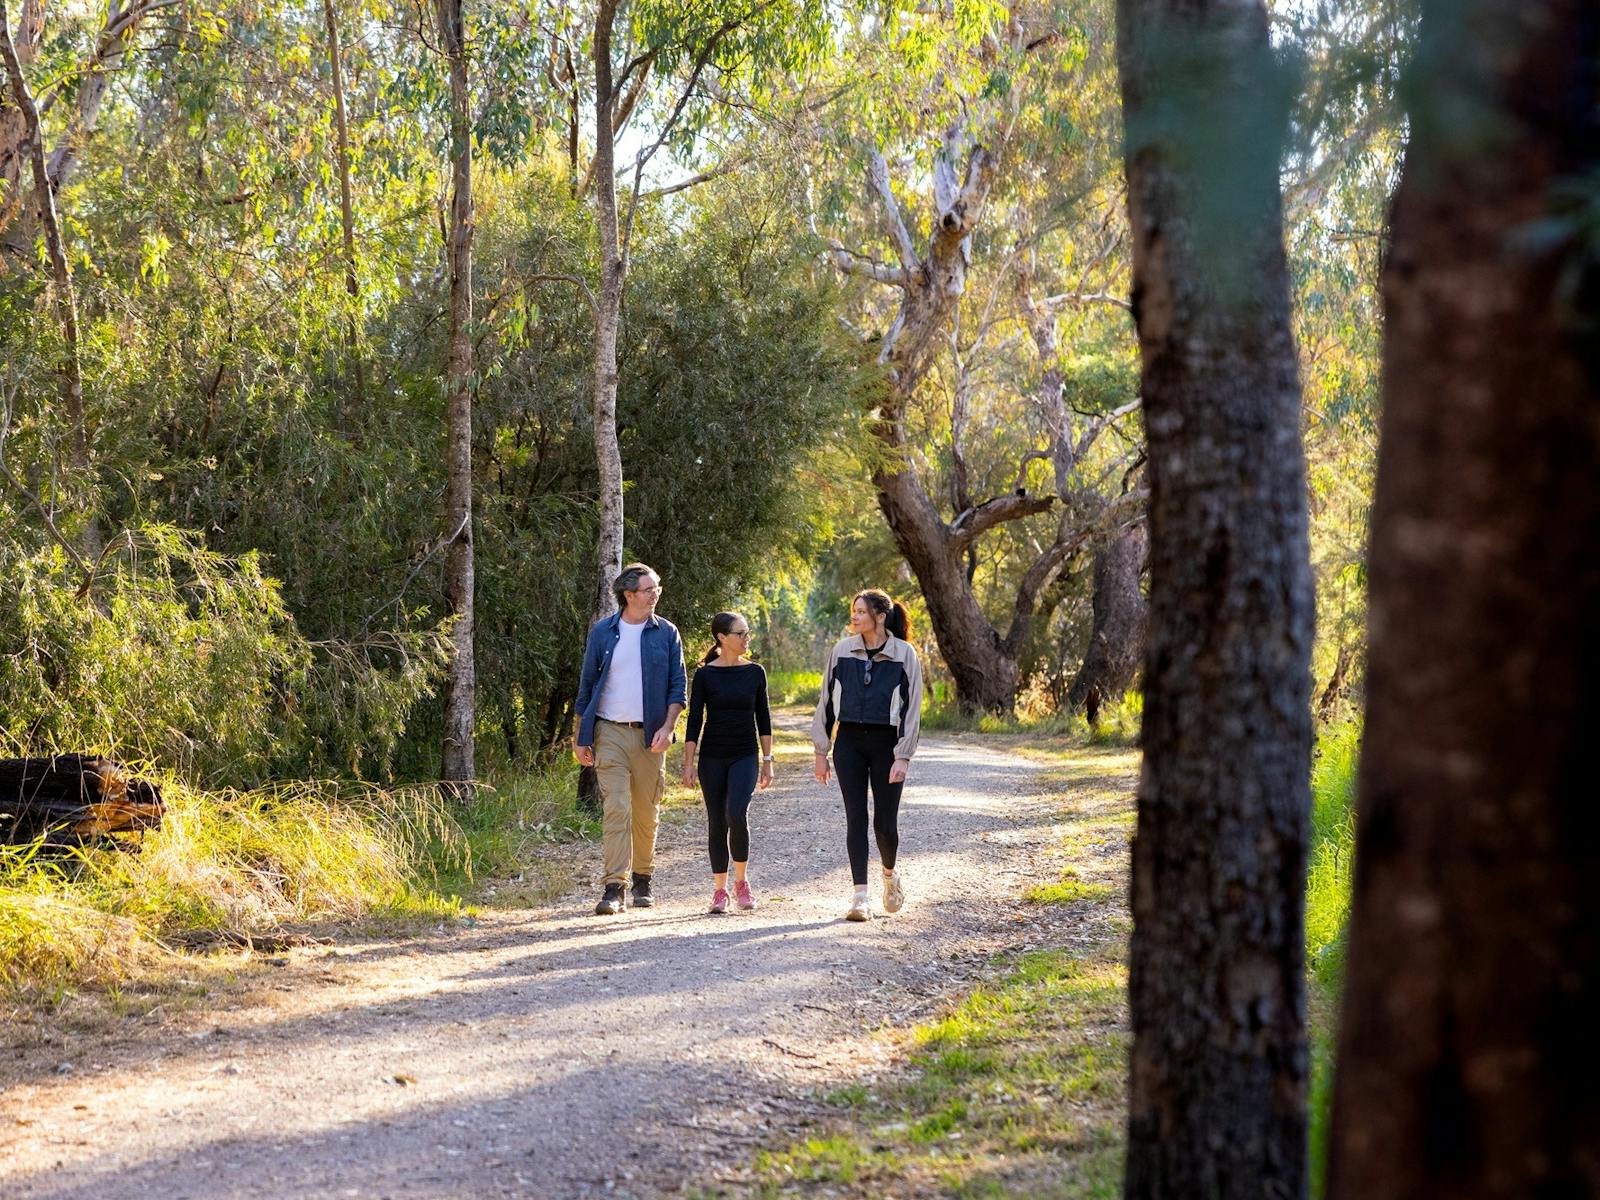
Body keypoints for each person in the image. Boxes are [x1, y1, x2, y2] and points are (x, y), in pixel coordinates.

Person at [574, 563, 686, 916]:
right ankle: (614, 887)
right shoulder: (603, 633)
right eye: (649, 590)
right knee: (617, 808)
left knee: (646, 812)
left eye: (657, 589)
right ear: (629, 595)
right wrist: (580, 736)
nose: (655, 595)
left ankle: (643, 879)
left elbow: (678, 687)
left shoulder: (667, 633)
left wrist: (668, 728)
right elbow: (586, 686)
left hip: (651, 735)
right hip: (609, 732)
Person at [812, 588, 924, 921]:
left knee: (884, 824)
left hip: (887, 745)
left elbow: (912, 709)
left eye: (861, 611)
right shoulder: (841, 651)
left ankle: (889, 875)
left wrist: (903, 755)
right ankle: (860, 896)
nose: (855, 616)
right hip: (848, 743)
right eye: (854, 610)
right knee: (856, 817)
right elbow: (826, 701)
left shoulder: (904, 654)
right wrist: (821, 750)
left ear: (880, 616)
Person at [681, 612, 774, 914]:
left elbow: (764, 718)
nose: (747, 638)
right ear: (722, 638)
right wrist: (688, 764)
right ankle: (719, 891)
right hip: (712, 757)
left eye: (748, 633)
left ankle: (741, 882)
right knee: (717, 821)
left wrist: (768, 760)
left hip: (745, 754)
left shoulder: (756, 672)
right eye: (741, 634)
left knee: (736, 812)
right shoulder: (705, 675)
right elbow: (694, 722)